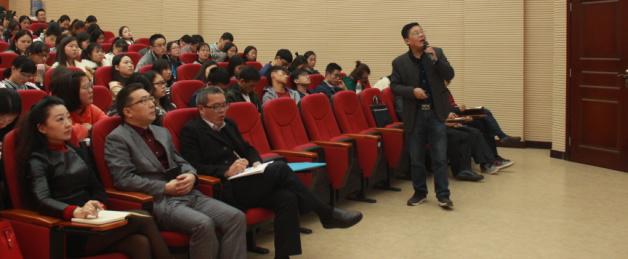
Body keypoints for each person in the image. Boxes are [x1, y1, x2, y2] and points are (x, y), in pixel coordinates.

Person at [181, 87, 363, 259]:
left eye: (224, 105)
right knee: (280, 167)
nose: (222, 110)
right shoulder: (191, 131)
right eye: (216, 107)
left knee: (286, 198)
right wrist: (226, 171)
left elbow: (248, 149)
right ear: (201, 109)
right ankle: (325, 213)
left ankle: (283, 256)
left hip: (246, 180)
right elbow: (194, 166)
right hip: (224, 189)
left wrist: (255, 163)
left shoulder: (229, 124)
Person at [14, 96, 172, 259]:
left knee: (139, 243)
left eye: (68, 117)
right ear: (42, 128)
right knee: (144, 218)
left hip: (93, 221)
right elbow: (42, 200)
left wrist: (98, 204)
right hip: (66, 229)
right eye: (60, 120)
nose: (68, 124)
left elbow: (96, 187)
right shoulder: (37, 160)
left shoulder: (75, 150)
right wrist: (74, 211)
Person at [105, 83, 247, 259]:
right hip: (159, 199)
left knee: (236, 217)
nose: (151, 104)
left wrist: (191, 175)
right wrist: (165, 188)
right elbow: (124, 179)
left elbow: (181, 161)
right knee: (203, 224)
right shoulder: (117, 138)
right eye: (143, 101)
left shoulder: (161, 132)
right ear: (128, 111)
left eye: (150, 99)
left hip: (187, 192)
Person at [391, 22, 455, 209]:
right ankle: (419, 193)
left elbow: (450, 74)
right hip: (415, 115)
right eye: (416, 33)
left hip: (436, 113)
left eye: (422, 31)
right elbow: (394, 86)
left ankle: (443, 196)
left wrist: (436, 60)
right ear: (407, 40)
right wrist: (412, 91)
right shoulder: (399, 62)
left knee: (440, 157)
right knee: (416, 158)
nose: (421, 35)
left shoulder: (437, 53)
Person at [50, 69, 107, 141]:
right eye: (85, 87)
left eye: (90, 85)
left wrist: (92, 129)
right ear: (71, 92)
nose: (91, 90)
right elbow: (60, 134)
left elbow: (107, 126)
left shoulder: (90, 108)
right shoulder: (56, 112)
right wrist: (85, 129)